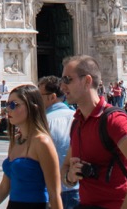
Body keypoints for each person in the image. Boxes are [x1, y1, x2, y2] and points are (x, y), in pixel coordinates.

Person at [61, 55, 127, 209]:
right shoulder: (77, 123)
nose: (62, 86)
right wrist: (69, 176)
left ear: (87, 81)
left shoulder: (114, 120)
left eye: (67, 80)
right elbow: (65, 168)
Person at [38, 76, 79, 209]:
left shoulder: (43, 123)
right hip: (79, 189)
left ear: (52, 97)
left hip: (53, 193)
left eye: (39, 96)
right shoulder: (79, 118)